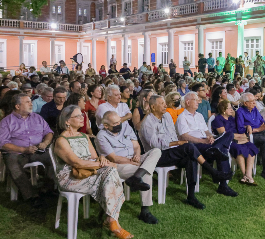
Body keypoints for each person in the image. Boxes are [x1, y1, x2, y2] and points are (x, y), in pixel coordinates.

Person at [139, 95, 232, 209]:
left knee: (190, 156)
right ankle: (213, 171)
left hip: (172, 151)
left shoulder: (167, 116)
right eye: (162, 103)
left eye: (165, 103)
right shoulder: (148, 122)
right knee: (188, 147)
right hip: (157, 156)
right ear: (153, 107)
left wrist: (177, 143)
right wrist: (178, 143)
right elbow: (156, 145)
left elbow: (173, 135)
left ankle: (191, 196)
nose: (165, 105)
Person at [54, 106, 132, 238]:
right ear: (67, 121)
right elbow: (77, 163)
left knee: (110, 171)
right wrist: (102, 164)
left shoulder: (84, 136)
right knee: (110, 171)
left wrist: (101, 159)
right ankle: (111, 219)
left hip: (90, 171)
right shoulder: (62, 140)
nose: (82, 118)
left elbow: (95, 157)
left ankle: (112, 219)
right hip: (72, 176)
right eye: (77, 116)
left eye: (82, 115)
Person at [95, 111, 162, 224]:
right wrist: (132, 162)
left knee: (156, 151)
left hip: (134, 158)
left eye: (119, 121)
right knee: (146, 173)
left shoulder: (126, 127)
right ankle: (145, 211)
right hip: (119, 165)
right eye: (115, 123)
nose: (119, 124)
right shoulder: (101, 136)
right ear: (106, 125)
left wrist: (136, 155)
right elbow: (114, 158)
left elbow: (136, 145)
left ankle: (136, 177)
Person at [176, 92, 237, 197]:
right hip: (195, 145)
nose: (199, 102)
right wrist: (203, 141)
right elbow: (184, 136)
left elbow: (206, 131)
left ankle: (215, 148)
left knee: (229, 135)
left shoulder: (199, 115)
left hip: (207, 142)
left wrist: (210, 137)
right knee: (222, 151)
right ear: (188, 102)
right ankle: (223, 185)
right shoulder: (182, 117)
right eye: (196, 100)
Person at [0, 93, 54, 208]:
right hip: (18, 152)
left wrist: (45, 143)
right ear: (17, 106)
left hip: (37, 150)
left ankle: (47, 189)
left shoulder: (37, 117)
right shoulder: (7, 121)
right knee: (12, 163)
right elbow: (3, 143)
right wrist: (23, 149)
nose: (31, 104)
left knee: (54, 159)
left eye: (30, 101)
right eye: (27, 102)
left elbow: (49, 132)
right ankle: (31, 195)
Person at [212, 100, 258, 185]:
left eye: (231, 108)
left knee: (251, 147)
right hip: (229, 142)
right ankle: (245, 175)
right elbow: (224, 135)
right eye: (229, 108)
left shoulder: (231, 118)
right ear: (223, 110)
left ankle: (248, 175)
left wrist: (247, 126)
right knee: (238, 148)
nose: (232, 110)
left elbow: (240, 126)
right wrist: (240, 136)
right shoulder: (218, 120)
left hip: (239, 138)